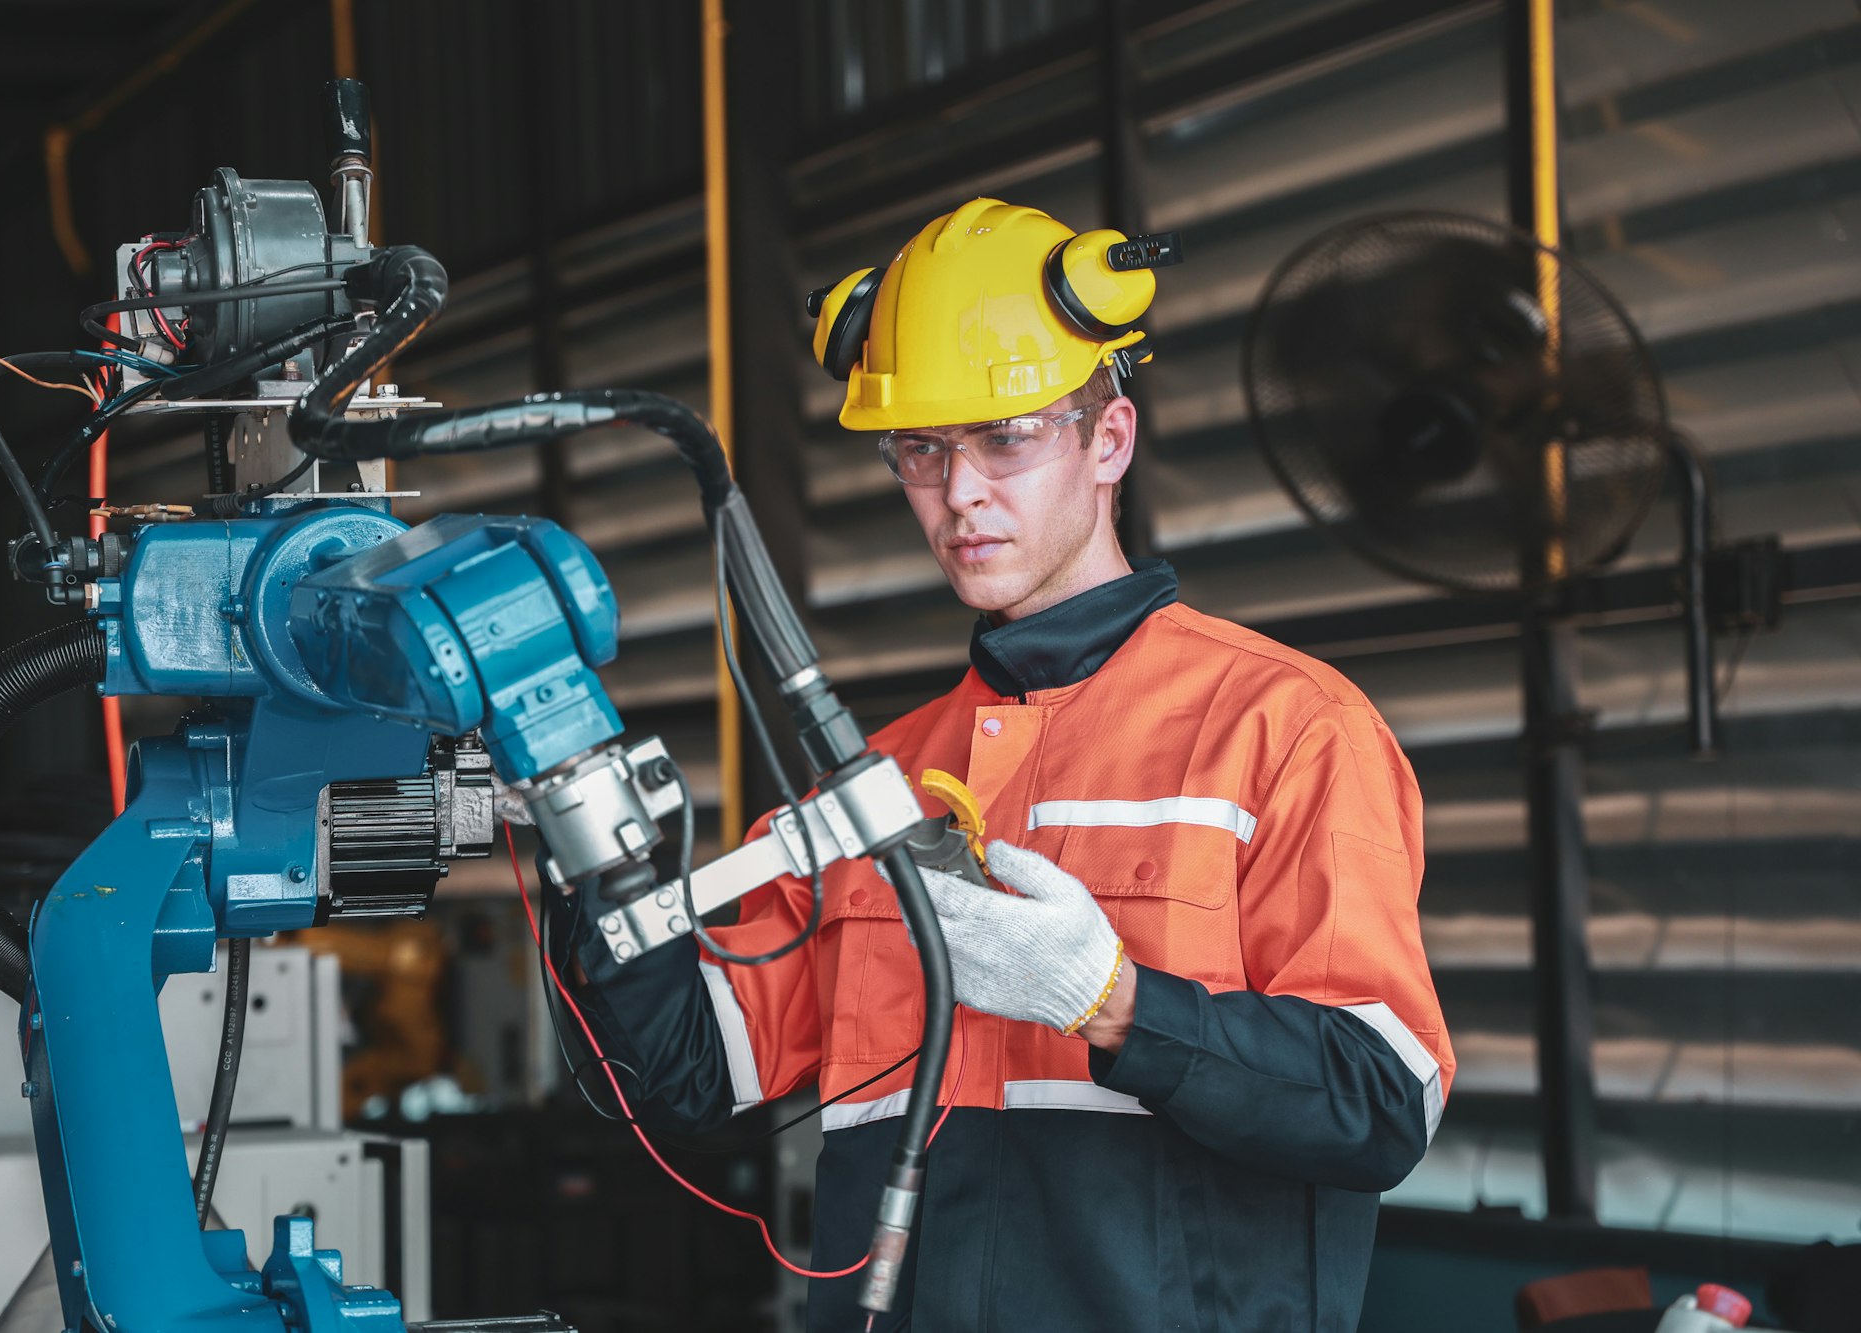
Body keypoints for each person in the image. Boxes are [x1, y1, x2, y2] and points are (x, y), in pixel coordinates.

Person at [548, 197, 1453, 1332]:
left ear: (1107, 440)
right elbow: (693, 1070)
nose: (959, 492)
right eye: (921, 448)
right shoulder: (877, 780)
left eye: (1006, 437)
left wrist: (1113, 1003)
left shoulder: (1282, 726)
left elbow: (1380, 1102)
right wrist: (582, 847)